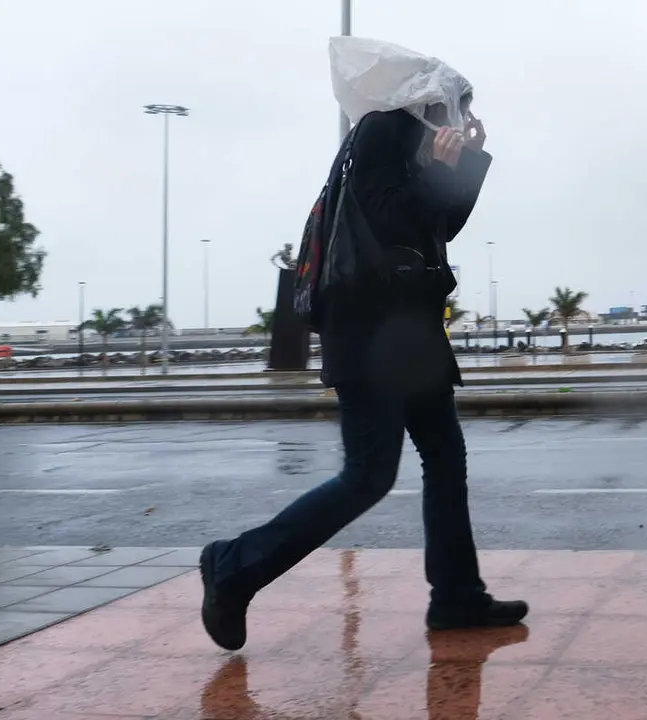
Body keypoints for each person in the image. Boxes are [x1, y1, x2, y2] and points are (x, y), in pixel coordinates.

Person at [197, 99, 528, 652]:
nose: (458, 115)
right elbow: (393, 218)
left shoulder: (413, 142)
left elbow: (441, 224)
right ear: (426, 98)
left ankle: (456, 596)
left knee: (445, 456)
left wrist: (466, 162)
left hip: (409, 332)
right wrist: (443, 169)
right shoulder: (380, 130)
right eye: (454, 105)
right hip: (370, 330)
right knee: (369, 474)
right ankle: (233, 566)